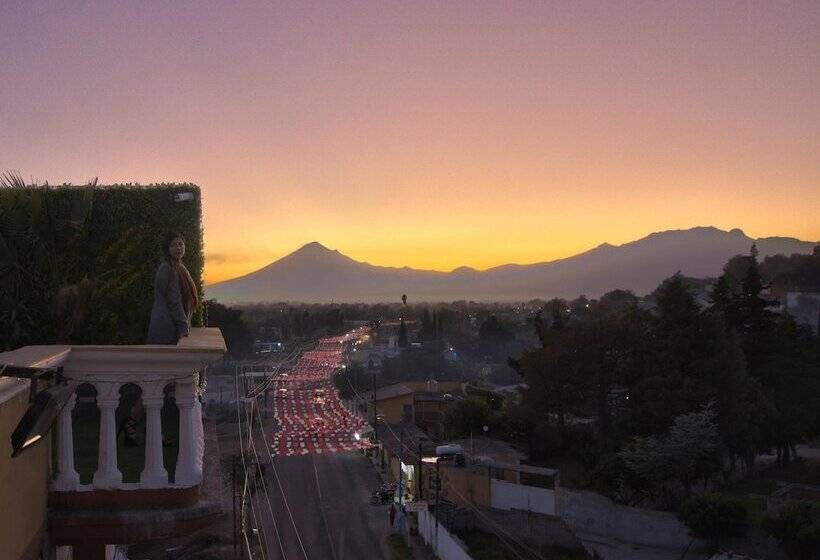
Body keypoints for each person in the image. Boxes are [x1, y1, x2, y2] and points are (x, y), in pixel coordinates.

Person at [146, 232, 200, 344]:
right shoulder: (167, 268)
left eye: (181, 244)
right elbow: (174, 301)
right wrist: (183, 327)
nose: (178, 248)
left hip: (171, 325)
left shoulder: (180, 268)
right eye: (173, 245)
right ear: (167, 249)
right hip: (166, 327)